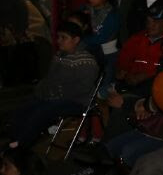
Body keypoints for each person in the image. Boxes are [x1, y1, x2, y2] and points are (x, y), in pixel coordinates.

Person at [6, 20, 98, 148]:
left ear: (76, 40)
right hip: (55, 96)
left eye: (63, 38)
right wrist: (41, 91)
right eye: (58, 37)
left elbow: (83, 88)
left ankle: (22, 143)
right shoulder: (60, 55)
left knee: (42, 111)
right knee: (25, 108)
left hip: (76, 101)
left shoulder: (86, 61)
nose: (59, 41)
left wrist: (55, 94)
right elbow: (49, 79)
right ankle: (15, 139)